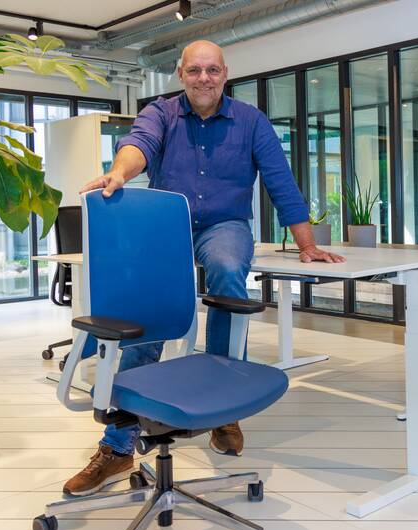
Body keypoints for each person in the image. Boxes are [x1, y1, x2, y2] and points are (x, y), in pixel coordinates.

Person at [63, 40, 345, 496]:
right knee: (143, 311)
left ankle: (222, 407)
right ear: (181, 74)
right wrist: (120, 173)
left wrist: (307, 244)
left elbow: (280, 182)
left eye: (212, 70)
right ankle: (118, 447)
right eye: (195, 71)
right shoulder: (161, 112)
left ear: (225, 73)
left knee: (230, 269)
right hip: (167, 225)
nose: (204, 79)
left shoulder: (251, 122)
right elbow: (139, 144)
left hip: (223, 224)